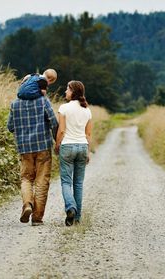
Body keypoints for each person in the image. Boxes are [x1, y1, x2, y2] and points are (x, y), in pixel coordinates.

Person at [7, 73, 58, 226]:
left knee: (26, 178)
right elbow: (53, 121)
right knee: (42, 181)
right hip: (43, 146)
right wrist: (57, 141)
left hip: (24, 148)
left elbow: (10, 127)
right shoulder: (43, 101)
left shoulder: (15, 103)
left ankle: (27, 204)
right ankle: (37, 218)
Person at [55, 80, 92, 226]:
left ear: (73, 92)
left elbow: (62, 130)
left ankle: (70, 207)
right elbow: (88, 134)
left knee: (66, 181)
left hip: (68, 146)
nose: (65, 92)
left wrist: (57, 145)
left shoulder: (64, 108)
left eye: (67, 89)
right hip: (82, 146)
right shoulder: (87, 110)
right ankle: (77, 218)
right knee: (78, 183)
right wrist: (88, 152)